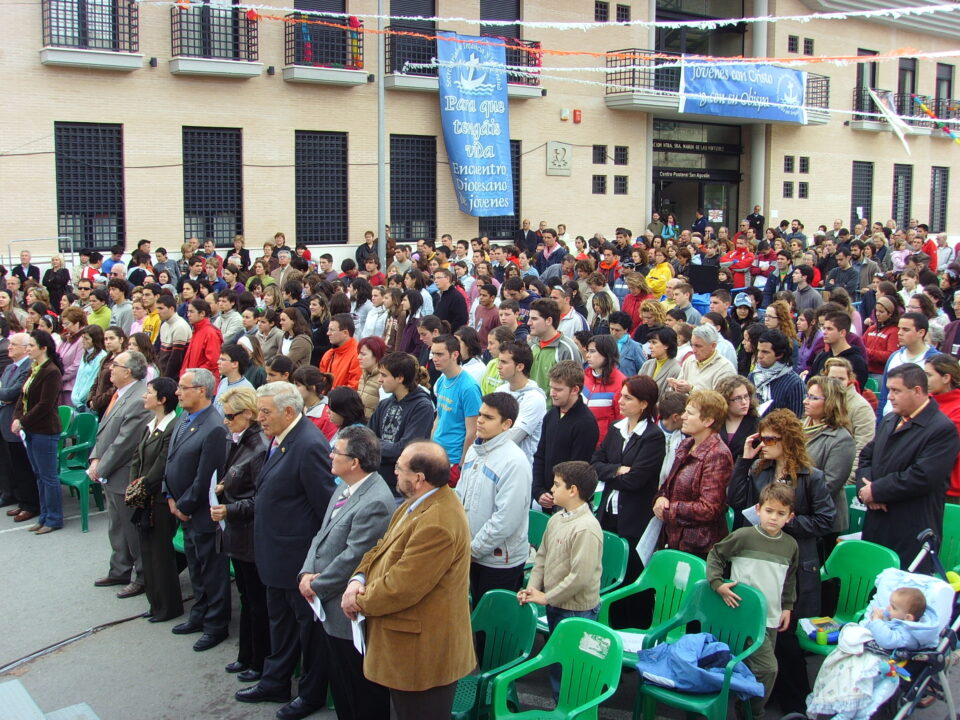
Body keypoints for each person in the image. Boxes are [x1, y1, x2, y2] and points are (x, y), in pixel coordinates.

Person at [341, 440, 475, 720]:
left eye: (399, 468)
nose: (394, 473)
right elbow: (380, 547)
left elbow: (401, 587)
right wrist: (359, 578)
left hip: (423, 656)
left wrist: (358, 601)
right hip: (408, 647)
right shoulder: (416, 504)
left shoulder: (438, 522)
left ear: (418, 479)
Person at [236, 382, 335, 716]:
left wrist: (315, 563)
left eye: (266, 412)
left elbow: (325, 508)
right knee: (281, 622)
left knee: (308, 630)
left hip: (297, 558)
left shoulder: (308, 445)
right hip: (275, 555)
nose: (259, 418)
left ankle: (310, 694)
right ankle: (275, 681)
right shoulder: (282, 438)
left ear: (289, 411)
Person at [728, 409, 835, 712]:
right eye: (762, 438)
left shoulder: (811, 476)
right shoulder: (760, 469)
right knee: (766, 634)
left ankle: (796, 702)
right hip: (763, 563)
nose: (765, 443)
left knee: (787, 639)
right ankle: (768, 694)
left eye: (771, 439)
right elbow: (736, 501)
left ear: (788, 440)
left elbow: (826, 520)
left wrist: (786, 523)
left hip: (795, 565)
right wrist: (745, 460)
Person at [298, 427, 394, 720]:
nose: (330, 455)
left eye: (336, 451)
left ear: (354, 462)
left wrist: (318, 584)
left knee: (358, 689)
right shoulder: (343, 486)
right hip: (325, 599)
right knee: (340, 685)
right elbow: (322, 534)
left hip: (345, 610)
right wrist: (306, 572)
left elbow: (355, 556)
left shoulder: (375, 500)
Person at [707, 482, 799, 717]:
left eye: (781, 514)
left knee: (754, 668)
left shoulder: (790, 545)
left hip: (771, 617)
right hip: (743, 615)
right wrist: (718, 584)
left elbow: (789, 579)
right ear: (758, 509)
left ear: (790, 517)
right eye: (769, 511)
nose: (773, 518)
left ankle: (743, 707)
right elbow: (716, 554)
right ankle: (751, 713)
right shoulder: (744, 536)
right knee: (768, 669)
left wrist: (787, 606)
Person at [858, 364, 960, 569]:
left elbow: (923, 476)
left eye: (896, 391)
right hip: (877, 522)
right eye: (889, 390)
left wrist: (877, 490)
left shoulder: (942, 429)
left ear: (917, 391)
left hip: (911, 529)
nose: (890, 396)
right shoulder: (891, 419)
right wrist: (868, 488)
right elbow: (867, 455)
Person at [518, 461, 603, 693]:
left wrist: (546, 597)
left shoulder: (586, 528)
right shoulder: (557, 519)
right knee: (557, 663)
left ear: (573, 490)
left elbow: (580, 577)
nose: (552, 489)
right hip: (556, 603)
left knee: (571, 669)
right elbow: (542, 557)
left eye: (557, 485)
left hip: (576, 609)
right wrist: (532, 588)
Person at [163, 368, 230, 650]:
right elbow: (171, 460)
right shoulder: (183, 418)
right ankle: (199, 614)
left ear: (201, 390)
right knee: (195, 567)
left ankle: (216, 625)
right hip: (182, 509)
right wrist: (169, 496)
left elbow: (207, 477)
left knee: (211, 571)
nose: (177, 392)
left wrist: (185, 505)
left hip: (201, 512)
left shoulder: (214, 426)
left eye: (183, 387)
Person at [592, 375, 665, 625]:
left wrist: (611, 471)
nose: (619, 400)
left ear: (644, 404)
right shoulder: (616, 428)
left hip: (634, 519)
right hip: (609, 514)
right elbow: (595, 464)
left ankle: (632, 633)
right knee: (610, 574)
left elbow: (636, 480)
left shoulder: (654, 437)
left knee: (632, 578)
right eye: (621, 395)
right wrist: (618, 469)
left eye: (627, 398)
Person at [209, 386, 270, 683]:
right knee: (247, 599)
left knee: (257, 603)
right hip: (238, 535)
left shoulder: (258, 447)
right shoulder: (238, 440)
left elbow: (261, 499)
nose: (225, 421)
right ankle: (246, 655)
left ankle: (258, 661)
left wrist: (230, 510)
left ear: (247, 414)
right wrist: (223, 486)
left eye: (230, 416)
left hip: (250, 536)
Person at [87, 350, 152, 598]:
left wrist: (100, 467)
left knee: (131, 528)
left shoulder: (138, 397)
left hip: (123, 472)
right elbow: (105, 433)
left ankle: (142, 576)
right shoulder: (120, 393)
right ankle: (119, 569)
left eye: (116, 365)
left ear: (129, 371)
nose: (110, 369)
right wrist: (95, 458)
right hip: (108, 470)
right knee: (116, 525)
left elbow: (125, 442)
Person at [456, 393, 531, 599]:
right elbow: (460, 496)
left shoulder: (514, 462)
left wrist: (473, 551)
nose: (479, 420)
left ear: (506, 424)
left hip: (498, 561)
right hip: (471, 553)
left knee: (490, 626)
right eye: (480, 414)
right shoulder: (474, 450)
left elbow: (506, 519)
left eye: (489, 417)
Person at [130, 377, 184, 624]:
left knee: (161, 554)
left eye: (149, 393)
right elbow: (136, 459)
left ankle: (168, 606)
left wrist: (142, 486)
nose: (144, 396)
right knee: (147, 551)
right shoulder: (150, 424)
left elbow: (161, 465)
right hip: (144, 497)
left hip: (160, 499)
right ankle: (154, 603)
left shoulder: (173, 428)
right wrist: (135, 485)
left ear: (162, 399)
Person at [654, 389, 733, 558]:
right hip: (674, 538)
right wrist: (660, 497)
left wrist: (669, 510)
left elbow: (709, 508)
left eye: (690, 413)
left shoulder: (717, 455)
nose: (683, 417)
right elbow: (668, 486)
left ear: (708, 421)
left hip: (698, 546)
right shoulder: (687, 444)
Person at [12, 330, 64, 534]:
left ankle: (53, 518)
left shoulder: (51, 371)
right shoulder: (34, 368)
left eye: (31, 346)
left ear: (43, 348)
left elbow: (45, 404)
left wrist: (22, 422)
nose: (28, 349)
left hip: (44, 430)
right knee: (39, 475)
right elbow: (22, 396)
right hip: (32, 428)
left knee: (48, 476)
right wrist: (17, 417)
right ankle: (44, 515)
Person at [531, 361, 599, 511]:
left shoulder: (585, 423)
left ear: (575, 389)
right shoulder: (551, 415)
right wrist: (538, 490)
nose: (552, 393)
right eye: (551, 387)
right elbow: (540, 455)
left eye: (558, 389)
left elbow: (577, 471)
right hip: (545, 497)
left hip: (566, 503)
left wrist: (556, 495)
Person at [369, 352, 435, 496]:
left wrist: (374, 444)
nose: (379, 380)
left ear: (400, 378)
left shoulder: (422, 407)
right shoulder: (384, 404)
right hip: (377, 480)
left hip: (399, 489)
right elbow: (366, 438)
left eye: (384, 375)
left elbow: (404, 449)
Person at [0, 333, 40, 523]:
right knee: (14, 465)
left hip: (20, 422)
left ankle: (31, 504)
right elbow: (4, 393)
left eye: (13, 345)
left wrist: (5, 396)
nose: (9, 348)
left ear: (26, 348)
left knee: (24, 465)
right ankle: (22, 502)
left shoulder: (28, 368)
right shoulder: (8, 368)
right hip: (6, 420)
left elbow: (12, 393)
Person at [877, 312, 939, 417]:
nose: (899, 333)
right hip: (889, 420)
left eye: (906, 330)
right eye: (899, 328)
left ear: (921, 332)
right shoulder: (894, 357)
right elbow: (884, 395)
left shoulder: (935, 360)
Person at [493, 340, 547, 458]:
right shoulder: (500, 390)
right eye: (499, 361)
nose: (498, 366)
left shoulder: (535, 398)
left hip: (520, 467)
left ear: (520, 366)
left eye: (504, 362)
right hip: (496, 462)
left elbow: (512, 437)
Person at [527, 298, 582, 401]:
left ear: (549, 320)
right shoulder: (531, 345)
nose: (529, 323)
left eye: (534, 319)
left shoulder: (567, 349)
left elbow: (574, 389)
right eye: (530, 318)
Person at [581, 334, 626, 445]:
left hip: (601, 446)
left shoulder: (621, 383)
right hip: (579, 440)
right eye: (588, 351)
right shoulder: (584, 376)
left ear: (606, 353)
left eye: (592, 351)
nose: (587, 355)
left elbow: (622, 421)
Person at [751, 329, 806, 417]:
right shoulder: (753, 376)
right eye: (759, 350)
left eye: (765, 352)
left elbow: (796, 420)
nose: (759, 356)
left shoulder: (794, 384)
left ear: (779, 355)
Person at [808, 312, 869, 389]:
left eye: (829, 329)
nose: (824, 332)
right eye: (824, 328)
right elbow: (810, 382)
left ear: (842, 333)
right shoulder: (822, 357)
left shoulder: (857, 362)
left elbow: (855, 391)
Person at [670, 324, 736, 393]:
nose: (693, 350)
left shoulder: (725, 368)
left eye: (698, 346)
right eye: (692, 345)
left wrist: (691, 389)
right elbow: (678, 389)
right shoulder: (689, 360)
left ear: (713, 345)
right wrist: (675, 386)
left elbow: (719, 400)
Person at [716, 375, 759, 461]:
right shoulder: (715, 422)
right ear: (725, 400)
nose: (744, 402)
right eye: (737, 398)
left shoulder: (757, 424)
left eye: (746, 396)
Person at [181, 299, 223, 383]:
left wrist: (194, 374)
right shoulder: (196, 329)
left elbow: (213, 362)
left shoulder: (210, 333)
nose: (188, 315)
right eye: (188, 311)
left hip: (203, 384)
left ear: (202, 313)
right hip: (193, 381)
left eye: (191, 312)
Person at [320, 313, 361, 390]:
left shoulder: (358, 355)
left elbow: (354, 386)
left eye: (331, 330)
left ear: (345, 333)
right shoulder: (328, 354)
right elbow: (321, 382)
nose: (328, 333)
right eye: (328, 329)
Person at [639, 326, 681, 398]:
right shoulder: (647, 364)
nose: (650, 346)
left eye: (654, 343)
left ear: (666, 345)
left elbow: (668, 398)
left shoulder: (676, 370)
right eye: (650, 342)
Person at [157, 295, 192, 379]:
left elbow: (176, 359)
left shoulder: (180, 326)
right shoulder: (164, 325)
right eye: (157, 308)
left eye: (161, 308)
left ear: (171, 309)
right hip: (163, 372)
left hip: (173, 377)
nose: (158, 312)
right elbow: (161, 354)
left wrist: (165, 378)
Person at [608, 311, 645, 377]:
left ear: (626, 330)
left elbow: (643, 370)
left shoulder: (635, 347)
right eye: (611, 329)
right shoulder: (606, 343)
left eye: (617, 330)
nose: (613, 333)